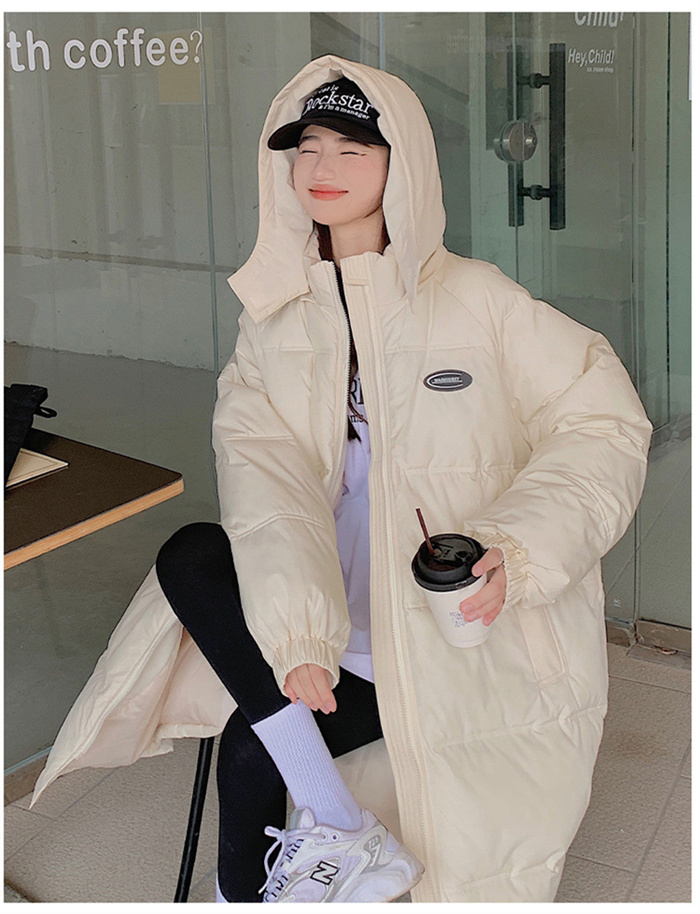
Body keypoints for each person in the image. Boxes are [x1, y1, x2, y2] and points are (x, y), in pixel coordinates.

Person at [31, 56, 652, 904]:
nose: (323, 168)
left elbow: (603, 424)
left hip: (444, 620)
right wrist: (299, 638)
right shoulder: (275, 321)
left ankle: (312, 839)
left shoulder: (479, 301)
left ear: (403, 167)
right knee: (192, 554)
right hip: (330, 607)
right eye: (308, 148)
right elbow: (265, 487)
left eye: (352, 150)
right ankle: (321, 844)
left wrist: (519, 545)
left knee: (253, 748)